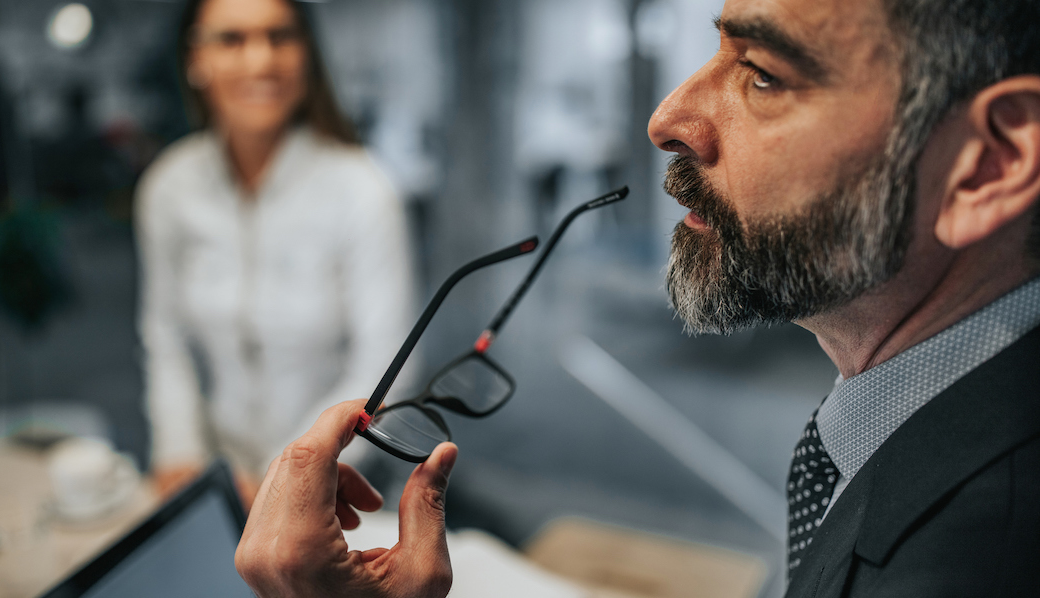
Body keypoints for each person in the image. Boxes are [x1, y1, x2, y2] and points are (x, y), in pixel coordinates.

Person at [233, 0, 1040, 595]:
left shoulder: (968, 562)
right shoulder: (919, 415)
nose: (668, 118)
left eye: (763, 74)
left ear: (990, 163)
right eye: (715, 52)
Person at [135, 0, 415, 507]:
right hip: (215, 479)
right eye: (232, 39)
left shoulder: (363, 189)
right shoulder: (169, 187)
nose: (260, 61)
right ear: (195, 58)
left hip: (334, 484)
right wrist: (179, 454)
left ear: (306, 54)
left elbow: (387, 364)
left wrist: (285, 479)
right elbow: (165, 337)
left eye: (279, 36)